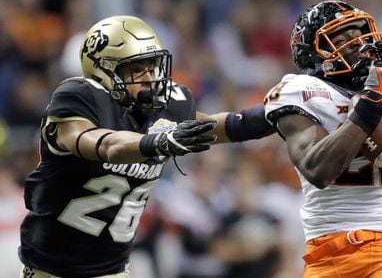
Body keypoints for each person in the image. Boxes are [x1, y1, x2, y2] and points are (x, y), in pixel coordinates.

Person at [18, 15, 274, 278]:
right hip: (52, 271)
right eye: (136, 69)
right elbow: (103, 144)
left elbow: (213, 127)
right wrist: (154, 142)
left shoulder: (166, 105)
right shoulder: (79, 98)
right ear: (104, 71)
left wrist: (269, 117)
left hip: (114, 271)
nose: (149, 78)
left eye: (152, 66)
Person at [263, 0, 382, 278]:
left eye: (359, 34)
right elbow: (318, 170)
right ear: (314, 56)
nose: (357, 44)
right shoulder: (302, 91)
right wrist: (371, 105)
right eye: (341, 39)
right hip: (324, 250)